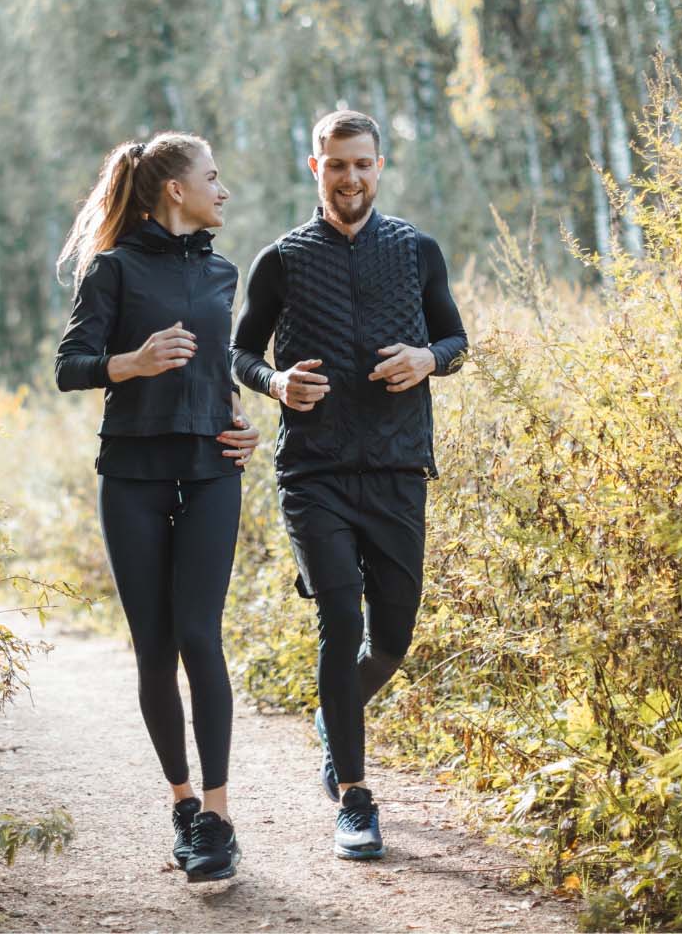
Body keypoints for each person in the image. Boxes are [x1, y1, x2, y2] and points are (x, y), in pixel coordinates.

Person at [230, 109, 468, 860]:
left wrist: (430, 359)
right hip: (315, 470)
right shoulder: (283, 259)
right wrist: (274, 383)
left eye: (362, 163)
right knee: (341, 618)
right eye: (337, 165)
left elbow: (455, 338)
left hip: (399, 466)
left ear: (380, 164)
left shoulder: (416, 249)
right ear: (315, 169)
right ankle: (356, 801)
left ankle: (337, 719)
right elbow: (239, 353)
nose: (351, 177)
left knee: (392, 637)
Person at [53, 132, 260, 883]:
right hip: (134, 473)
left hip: (212, 470)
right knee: (155, 646)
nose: (223, 189)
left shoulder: (222, 272)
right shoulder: (111, 270)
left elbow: (217, 370)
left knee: (200, 636)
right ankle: (181, 802)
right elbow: (69, 366)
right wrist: (131, 363)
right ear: (176, 189)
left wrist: (242, 422)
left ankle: (218, 818)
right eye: (213, 176)